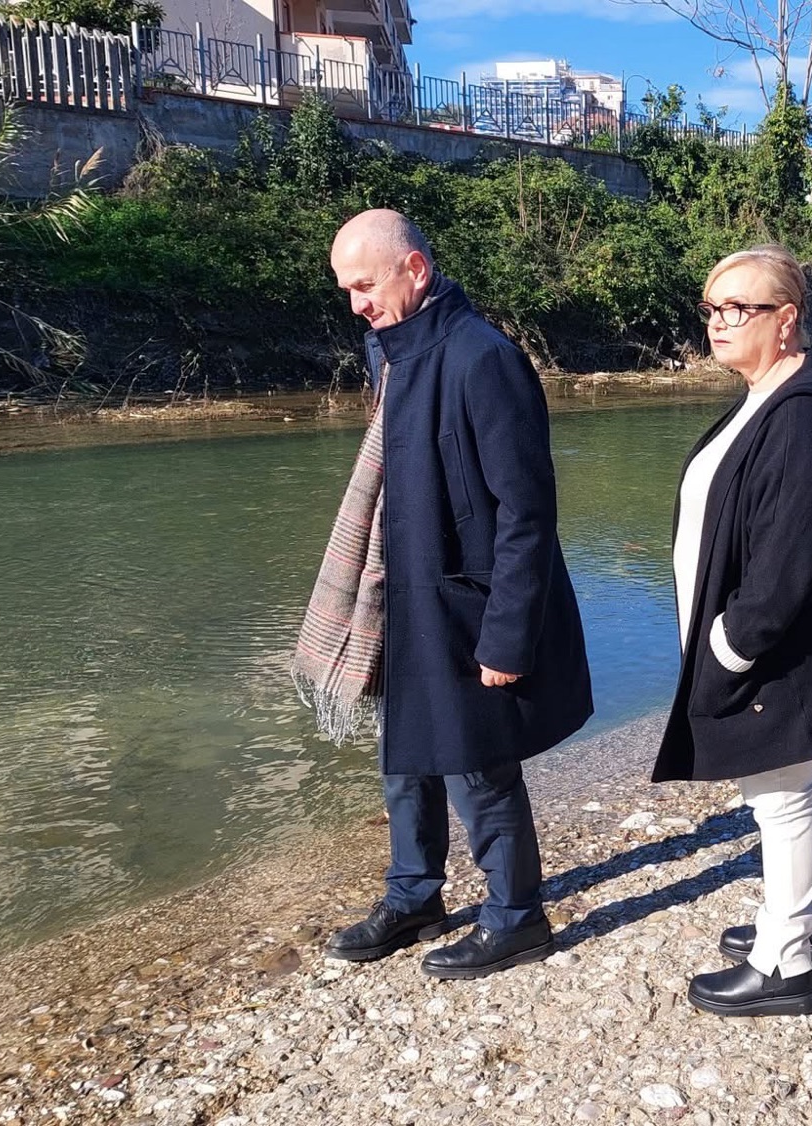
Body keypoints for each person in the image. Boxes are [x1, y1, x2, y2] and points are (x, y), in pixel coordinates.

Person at [295, 209, 593, 980]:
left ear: (415, 271)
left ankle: (518, 916)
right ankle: (414, 896)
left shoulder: (483, 358)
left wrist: (507, 635)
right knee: (405, 758)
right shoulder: (386, 348)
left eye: (365, 285)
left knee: (477, 763)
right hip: (401, 589)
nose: (355, 302)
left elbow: (527, 510)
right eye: (345, 289)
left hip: (469, 601)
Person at [657, 244, 812, 1017]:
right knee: (791, 784)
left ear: (785, 321)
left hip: (773, 643)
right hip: (755, 635)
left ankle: (784, 963)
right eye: (712, 308)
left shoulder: (807, 416)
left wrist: (730, 642)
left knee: (778, 793)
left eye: (738, 310)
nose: (718, 323)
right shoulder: (770, 393)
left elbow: (799, 554)